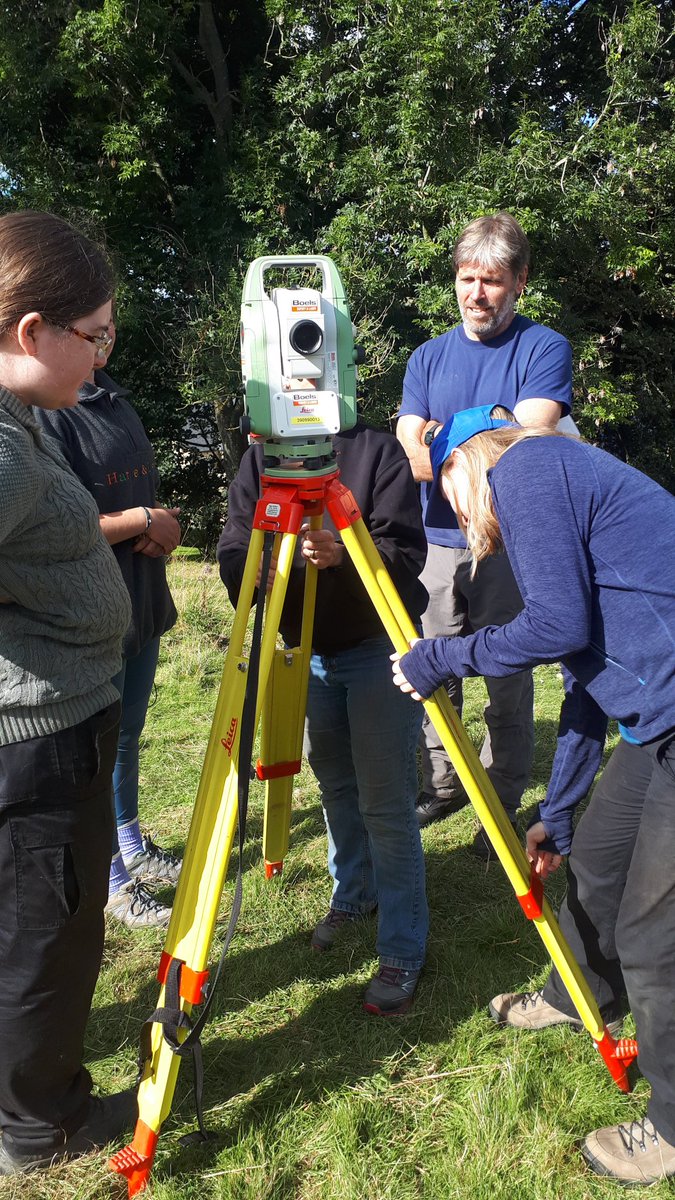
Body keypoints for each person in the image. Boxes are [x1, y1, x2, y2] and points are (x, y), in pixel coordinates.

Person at [391, 404, 675, 1185]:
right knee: (599, 863)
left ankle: (670, 1125)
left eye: (448, 495)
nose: (458, 516)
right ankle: (577, 991)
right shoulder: (555, 477)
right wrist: (556, 809)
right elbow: (587, 674)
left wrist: (442, 657)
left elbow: (553, 625)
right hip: (654, 722)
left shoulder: (529, 467)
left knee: (656, 936)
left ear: (463, 463)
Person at [0, 210, 138, 1173]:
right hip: (36, 738)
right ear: (29, 333)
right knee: (43, 935)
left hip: (64, 716)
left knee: (42, 922)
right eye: (90, 337)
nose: (99, 358)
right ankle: (39, 1125)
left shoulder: (23, 416)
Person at [217, 422, 429, 1015]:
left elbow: (406, 552)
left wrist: (343, 552)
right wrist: (253, 571)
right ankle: (354, 893)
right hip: (305, 652)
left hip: (375, 646)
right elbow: (235, 541)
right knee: (336, 784)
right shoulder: (264, 458)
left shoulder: (378, 452)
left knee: (386, 801)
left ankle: (403, 946)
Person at [397, 211, 576, 855]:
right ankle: (445, 783)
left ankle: (499, 793)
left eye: (492, 281)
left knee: (507, 670)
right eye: (467, 278)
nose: (477, 293)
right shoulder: (428, 355)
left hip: (508, 543)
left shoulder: (544, 348)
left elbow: (529, 437)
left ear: (520, 282)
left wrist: (446, 436)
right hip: (439, 541)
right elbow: (410, 442)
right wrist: (480, 428)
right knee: (431, 669)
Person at [36, 325, 182, 929]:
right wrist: (144, 520)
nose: (109, 336)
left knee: (128, 735)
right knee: (96, 746)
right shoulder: (50, 414)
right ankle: (113, 883)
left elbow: (129, 493)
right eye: (93, 326)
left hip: (139, 599)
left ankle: (129, 840)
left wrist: (151, 522)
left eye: (112, 325)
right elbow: (58, 524)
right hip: (92, 611)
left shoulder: (114, 399)